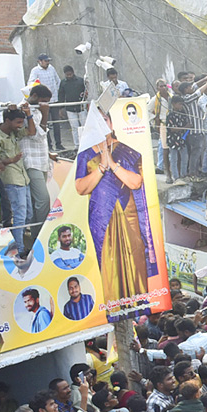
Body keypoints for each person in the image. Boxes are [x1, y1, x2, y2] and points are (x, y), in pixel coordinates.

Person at [74, 106, 159, 316]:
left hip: (128, 214)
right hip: (101, 217)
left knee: (135, 258)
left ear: (112, 123)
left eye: (106, 120)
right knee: (107, 263)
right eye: (98, 120)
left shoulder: (127, 149)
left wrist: (112, 163)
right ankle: (114, 312)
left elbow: (135, 182)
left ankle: (139, 311)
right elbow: (81, 188)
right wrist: (101, 167)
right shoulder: (85, 154)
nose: (103, 125)